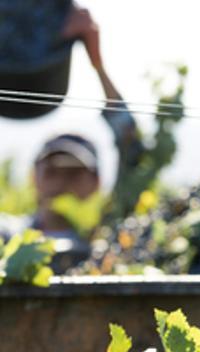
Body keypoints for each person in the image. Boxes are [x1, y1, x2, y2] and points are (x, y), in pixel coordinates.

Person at [0, 6, 142, 253]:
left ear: (97, 182)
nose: (63, 183)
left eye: (75, 173)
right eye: (52, 172)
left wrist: (97, 65)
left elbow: (132, 150)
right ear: (34, 178)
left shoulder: (109, 241)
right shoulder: (9, 239)